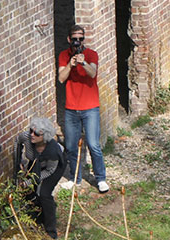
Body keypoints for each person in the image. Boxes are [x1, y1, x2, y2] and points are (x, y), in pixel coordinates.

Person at [58, 24, 109, 193]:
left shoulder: (91, 54)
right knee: (71, 146)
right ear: (69, 40)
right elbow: (61, 78)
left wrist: (83, 62)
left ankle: (101, 179)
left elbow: (92, 73)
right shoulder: (64, 56)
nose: (77, 42)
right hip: (71, 108)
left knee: (93, 144)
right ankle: (75, 178)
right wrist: (71, 65)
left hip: (90, 107)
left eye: (80, 39)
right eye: (74, 39)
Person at [14, 117, 66, 239]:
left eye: (37, 133)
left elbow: (49, 171)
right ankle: (35, 219)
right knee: (30, 191)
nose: (32, 134)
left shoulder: (53, 151)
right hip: (36, 164)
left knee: (44, 194)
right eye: (31, 130)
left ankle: (51, 231)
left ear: (45, 136)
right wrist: (18, 162)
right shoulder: (27, 137)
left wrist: (29, 181)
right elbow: (18, 141)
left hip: (53, 168)